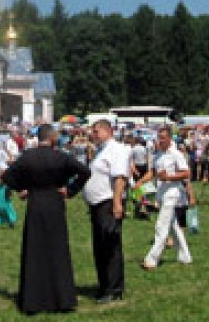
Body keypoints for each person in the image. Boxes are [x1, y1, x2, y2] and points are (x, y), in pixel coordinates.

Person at [2, 124, 91, 314]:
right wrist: (70, 189)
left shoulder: (28, 156)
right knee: (57, 250)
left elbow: (8, 176)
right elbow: (85, 171)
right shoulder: (61, 157)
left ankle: (33, 300)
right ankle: (63, 299)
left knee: (34, 250)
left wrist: (22, 189)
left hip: (35, 203)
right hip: (55, 202)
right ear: (52, 138)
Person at [82, 119, 130, 304]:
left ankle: (114, 288)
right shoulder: (101, 151)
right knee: (100, 246)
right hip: (97, 205)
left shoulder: (117, 150)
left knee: (110, 246)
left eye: (95, 131)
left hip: (108, 202)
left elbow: (119, 178)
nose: (92, 135)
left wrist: (117, 203)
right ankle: (104, 285)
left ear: (106, 131)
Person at [136, 127, 192, 269]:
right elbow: (153, 172)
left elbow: (186, 173)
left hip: (172, 192)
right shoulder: (158, 154)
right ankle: (185, 257)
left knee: (161, 226)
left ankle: (151, 259)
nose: (159, 140)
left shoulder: (176, 154)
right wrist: (141, 181)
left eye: (162, 138)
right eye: (158, 137)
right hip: (161, 192)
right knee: (173, 226)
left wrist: (169, 177)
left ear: (169, 139)